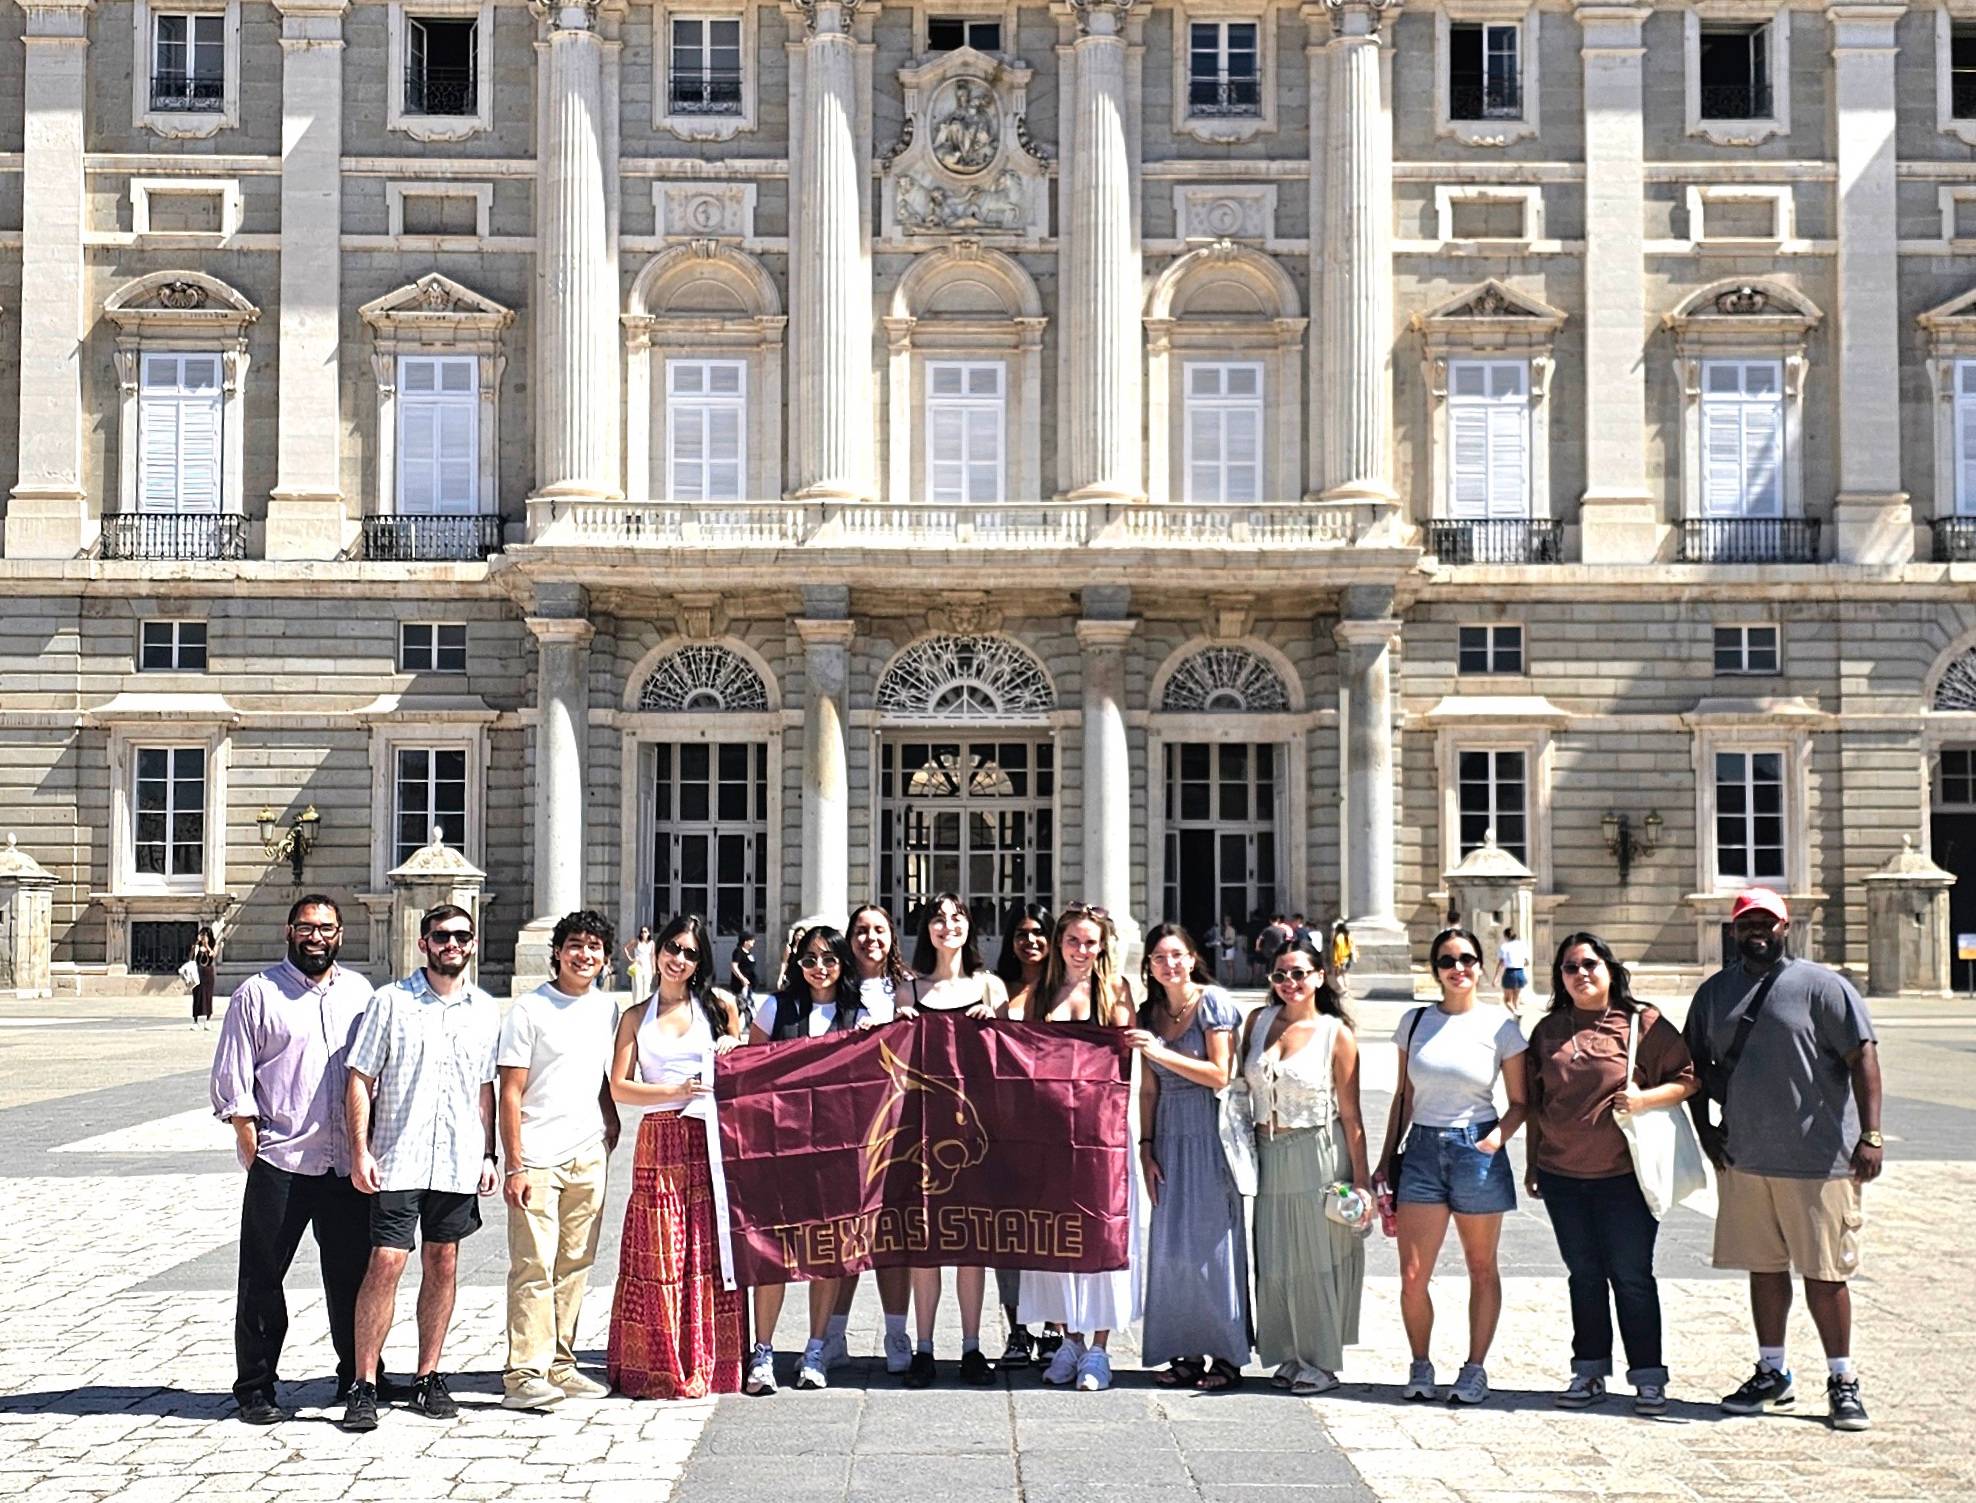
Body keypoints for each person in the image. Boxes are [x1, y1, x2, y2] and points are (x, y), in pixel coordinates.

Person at [1683, 888, 1881, 1432]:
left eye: (1767, 923)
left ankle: (1843, 1379)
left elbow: (1862, 1055)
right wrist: (1706, 1133)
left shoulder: (1822, 986)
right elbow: (1693, 1069)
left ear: (1785, 927)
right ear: (1734, 930)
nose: (1758, 932)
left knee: (1825, 1273)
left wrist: (1872, 1135)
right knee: (1765, 1269)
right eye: (1748, 923)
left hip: (1818, 1161)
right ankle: (1773, 1371)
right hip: (1747, 1157)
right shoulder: (1715, 994)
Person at [209, 895, 379, 1424]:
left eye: (326, 928)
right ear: (289, 931)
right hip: (282, 1157)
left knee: (352, 1274)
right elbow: (233, 1070)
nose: (316, 937)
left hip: (345, 1162)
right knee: (262, 1276)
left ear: (341, 934)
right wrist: (245, 1131)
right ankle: (256, 1386)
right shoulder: (257, 994)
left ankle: (357, 1375)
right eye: (306, 927)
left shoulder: (361, 992)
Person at [341, 904, 501, 1432]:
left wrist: (488, 1153)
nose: (451, 944)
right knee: (386, 1262)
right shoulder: (391, 1002)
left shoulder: (485, 1009)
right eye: (440, 936)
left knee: (444, 1262)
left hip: (456, 1159)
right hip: (398, 1155)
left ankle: (428, 1375)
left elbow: (484, 1089)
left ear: (472, 944)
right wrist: (359, 1150)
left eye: (460, 936)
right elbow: (360, 1078)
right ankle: (363, 1381)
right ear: (423, 943)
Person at [1523, 932, 1697, 1414]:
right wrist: (1533, 1160)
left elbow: (1687, 1078)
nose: (1580, 974)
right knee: (1583, 1275)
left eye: (1589, 964)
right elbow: (1538, 1104)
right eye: (1569, 967)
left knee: (1632, 1275)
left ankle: (1647, 1377)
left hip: (1625, 1176)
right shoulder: (1548, 1030)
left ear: (1609, 969)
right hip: (1561, 1174)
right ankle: (1589, 1370)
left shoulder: (1641, 1022)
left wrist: (1644, 1098)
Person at [1372, 926, 1529, 1406]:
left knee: (1481, 1268)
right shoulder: (1415, 1022)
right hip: (1420, 1151)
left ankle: (1474, 1368)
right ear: (1434, 970)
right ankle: (1421, 1363)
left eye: (1466, 959)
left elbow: (1521, 1101)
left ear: (1482, 965)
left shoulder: (1501, 1027)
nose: (1458, 968)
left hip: (1475, 1149)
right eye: (1447, 960)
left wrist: (1496, 1138)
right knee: (1413, 1274)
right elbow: (1404, 1095)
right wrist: (1385, 1160)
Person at [607, 912, 747, 1399]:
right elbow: (620, 1087)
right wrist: (675, 1090)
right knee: (662, 1251)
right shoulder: (633, 1017)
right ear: (657, 950)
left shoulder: (718, 1007)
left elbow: (742, 1068)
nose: (679, 959)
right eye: (673, 948)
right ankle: (659, 1361)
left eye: (690, 953)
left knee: (707, 1249)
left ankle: (714, 1359)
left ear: (700, 961)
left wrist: (734, 1044)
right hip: (660, 1135)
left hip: (709, 1138)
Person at [497, 910, 624, 1411]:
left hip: (588, 1150)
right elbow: (510, 1091)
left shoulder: (606, 1009)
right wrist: (514, 1162)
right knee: (533, 1265)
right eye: (575, 945)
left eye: (594, 947)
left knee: (575, 1263)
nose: (584, 955)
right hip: (537, 1154)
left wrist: (609, 1119)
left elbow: (601, 1073)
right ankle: (523, 1372)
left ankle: (560, 1362)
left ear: (607, 958)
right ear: (557, 951)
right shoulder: (528, 1010)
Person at [1242, 937, 1370, 1394]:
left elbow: (1352, 1114)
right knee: (1276, 1257)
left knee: (1317, 1257)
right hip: (1268, 1154)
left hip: (1317, 1151)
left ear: (1319, 977)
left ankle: (1320, 1361)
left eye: (1300, 973)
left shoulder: (1337, 1034)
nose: (1290, 982)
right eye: (1281, 974)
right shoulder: (1258, 1023)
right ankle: (1290, 1352)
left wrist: (1362, 1181)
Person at [1019, 902, 1138, 1392]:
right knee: (1056, 1233)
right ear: (1059, 943)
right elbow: (1011, 1036)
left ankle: (1099, 1349)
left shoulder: (1114, 991)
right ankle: (1068, 1338)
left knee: (1101, 1231)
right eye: (1073, 941)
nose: (1082, 950)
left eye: (1091, 942)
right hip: (1049, 1131)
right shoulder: (1042, 989)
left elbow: (1127, 1050)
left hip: (1100, 1129)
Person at [742, 924, 865, 1393]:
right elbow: (750, 1071)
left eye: (829, 959)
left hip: (836, 1147)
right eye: (810, 959)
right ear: (798, 963)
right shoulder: (775, 1007)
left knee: (828, 1250)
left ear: (842, 964)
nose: (819, 968)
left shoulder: (860, 1012)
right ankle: (764, 1351)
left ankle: (816, 1349)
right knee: (772, 1250)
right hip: (782, 1145)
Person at [1126, 924, 1249, 1391]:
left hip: (1209, 1131)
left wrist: (1159, 1051)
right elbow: (1150, 1087)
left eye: (1176, 955)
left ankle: (1225, 1355)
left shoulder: (1213, 1002)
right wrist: (1146, 1146)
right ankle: (1184, 1352)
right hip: (1170, 1136)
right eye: (1159, 958)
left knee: (1214, 1247)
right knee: (1173, 1248)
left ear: (1192, 958)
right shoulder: (1150, 1011)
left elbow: (1220, 1074)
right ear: (1150, 966)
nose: (1169, 964)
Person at [897, 893, 1009, 1386]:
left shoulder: (990, 986)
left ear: (970, 927)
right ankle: (923, 1347)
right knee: (925, 1241)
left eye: (957, 917)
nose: (948, 926)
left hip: (975, 1128)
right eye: (938, 919)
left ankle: (971, 1346)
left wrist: (995, 1027)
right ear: (927, 931)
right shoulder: (909, 988)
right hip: (920, 1128)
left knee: (972, 1242)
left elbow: (1014, 1058)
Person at [827, 902, 917, 1375]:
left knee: (893, 1235)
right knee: (847, 1235)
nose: (870, 939)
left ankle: (896, 1332)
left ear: (891, 936)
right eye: (861, 931)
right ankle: (835, 1334)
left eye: (878, 930)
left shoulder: (906, 986)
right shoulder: (834, 988)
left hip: (898, 1125)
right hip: (847, 1127)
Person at [990, 900, 1053, 1364]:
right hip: (1004, 1123)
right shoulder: (998, 991)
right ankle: (1017, 1328)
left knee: (1052, 1227)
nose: (1030, 941)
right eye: (1021, 934)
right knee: (1006, 1231)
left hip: (1054, 1125)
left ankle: (1053, 1325)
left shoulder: (1065, 992)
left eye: (1038, 933)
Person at [1496, 925, 1532, 1015]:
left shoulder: (1504, 946)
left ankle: (1515, 1013)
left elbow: (1501, 963)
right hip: (1520, 973)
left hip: (1510, 973)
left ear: (1506, 936)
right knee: (1516, 999)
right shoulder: (1522, 945)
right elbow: (1527, 962)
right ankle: (1517, 1013)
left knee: (1507, 1000)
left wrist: (1496, 977)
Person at [190, 925, 219, 1029]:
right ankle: (195, 1020)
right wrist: (196, 945)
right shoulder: (197, 946)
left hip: (208, 973)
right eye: (202, 935)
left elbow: (213, 955)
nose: (203, 937)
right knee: (197, 996)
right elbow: (191, 957)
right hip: (198, 973)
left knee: (208, 996)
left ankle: (208, 1020)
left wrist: (207, 946)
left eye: (205, 935)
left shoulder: (214, 945)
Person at [624, 925, 657, 1004]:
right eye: (642, 932)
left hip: (647, 966)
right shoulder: (636, 941)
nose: (643, 934)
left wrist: (654, 968)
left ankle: (644, 1007)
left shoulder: (651, 943)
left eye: (645, 932)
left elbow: (652, 956)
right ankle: (636, 1006)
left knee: (646, 988)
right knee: (637, 988)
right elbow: (626, 948)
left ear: (648, 933)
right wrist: (631, 959)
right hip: (638, 966)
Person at [730, 931, 760, 1007]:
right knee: (742, 1005)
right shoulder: (738, 951)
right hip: (741, 984)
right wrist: (742, 978)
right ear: (745, 941)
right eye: (751, 940)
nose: (754, 941)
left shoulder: (748, 952)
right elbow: (734, 966)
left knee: (750, 1006)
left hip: (750, 983)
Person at [1217, 915, 1242, 986]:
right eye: (1225, 920)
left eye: (1227, 920)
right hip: (1225, 948)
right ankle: (1230, 979)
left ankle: (1231, 981)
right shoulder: (1224, 929)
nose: (1225, 922)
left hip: (1229, 948)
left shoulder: (1231, 929)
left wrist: (1224, 940)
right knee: (1228, 965)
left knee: (1230, 965)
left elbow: (1232, 939)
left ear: (1229, 921)